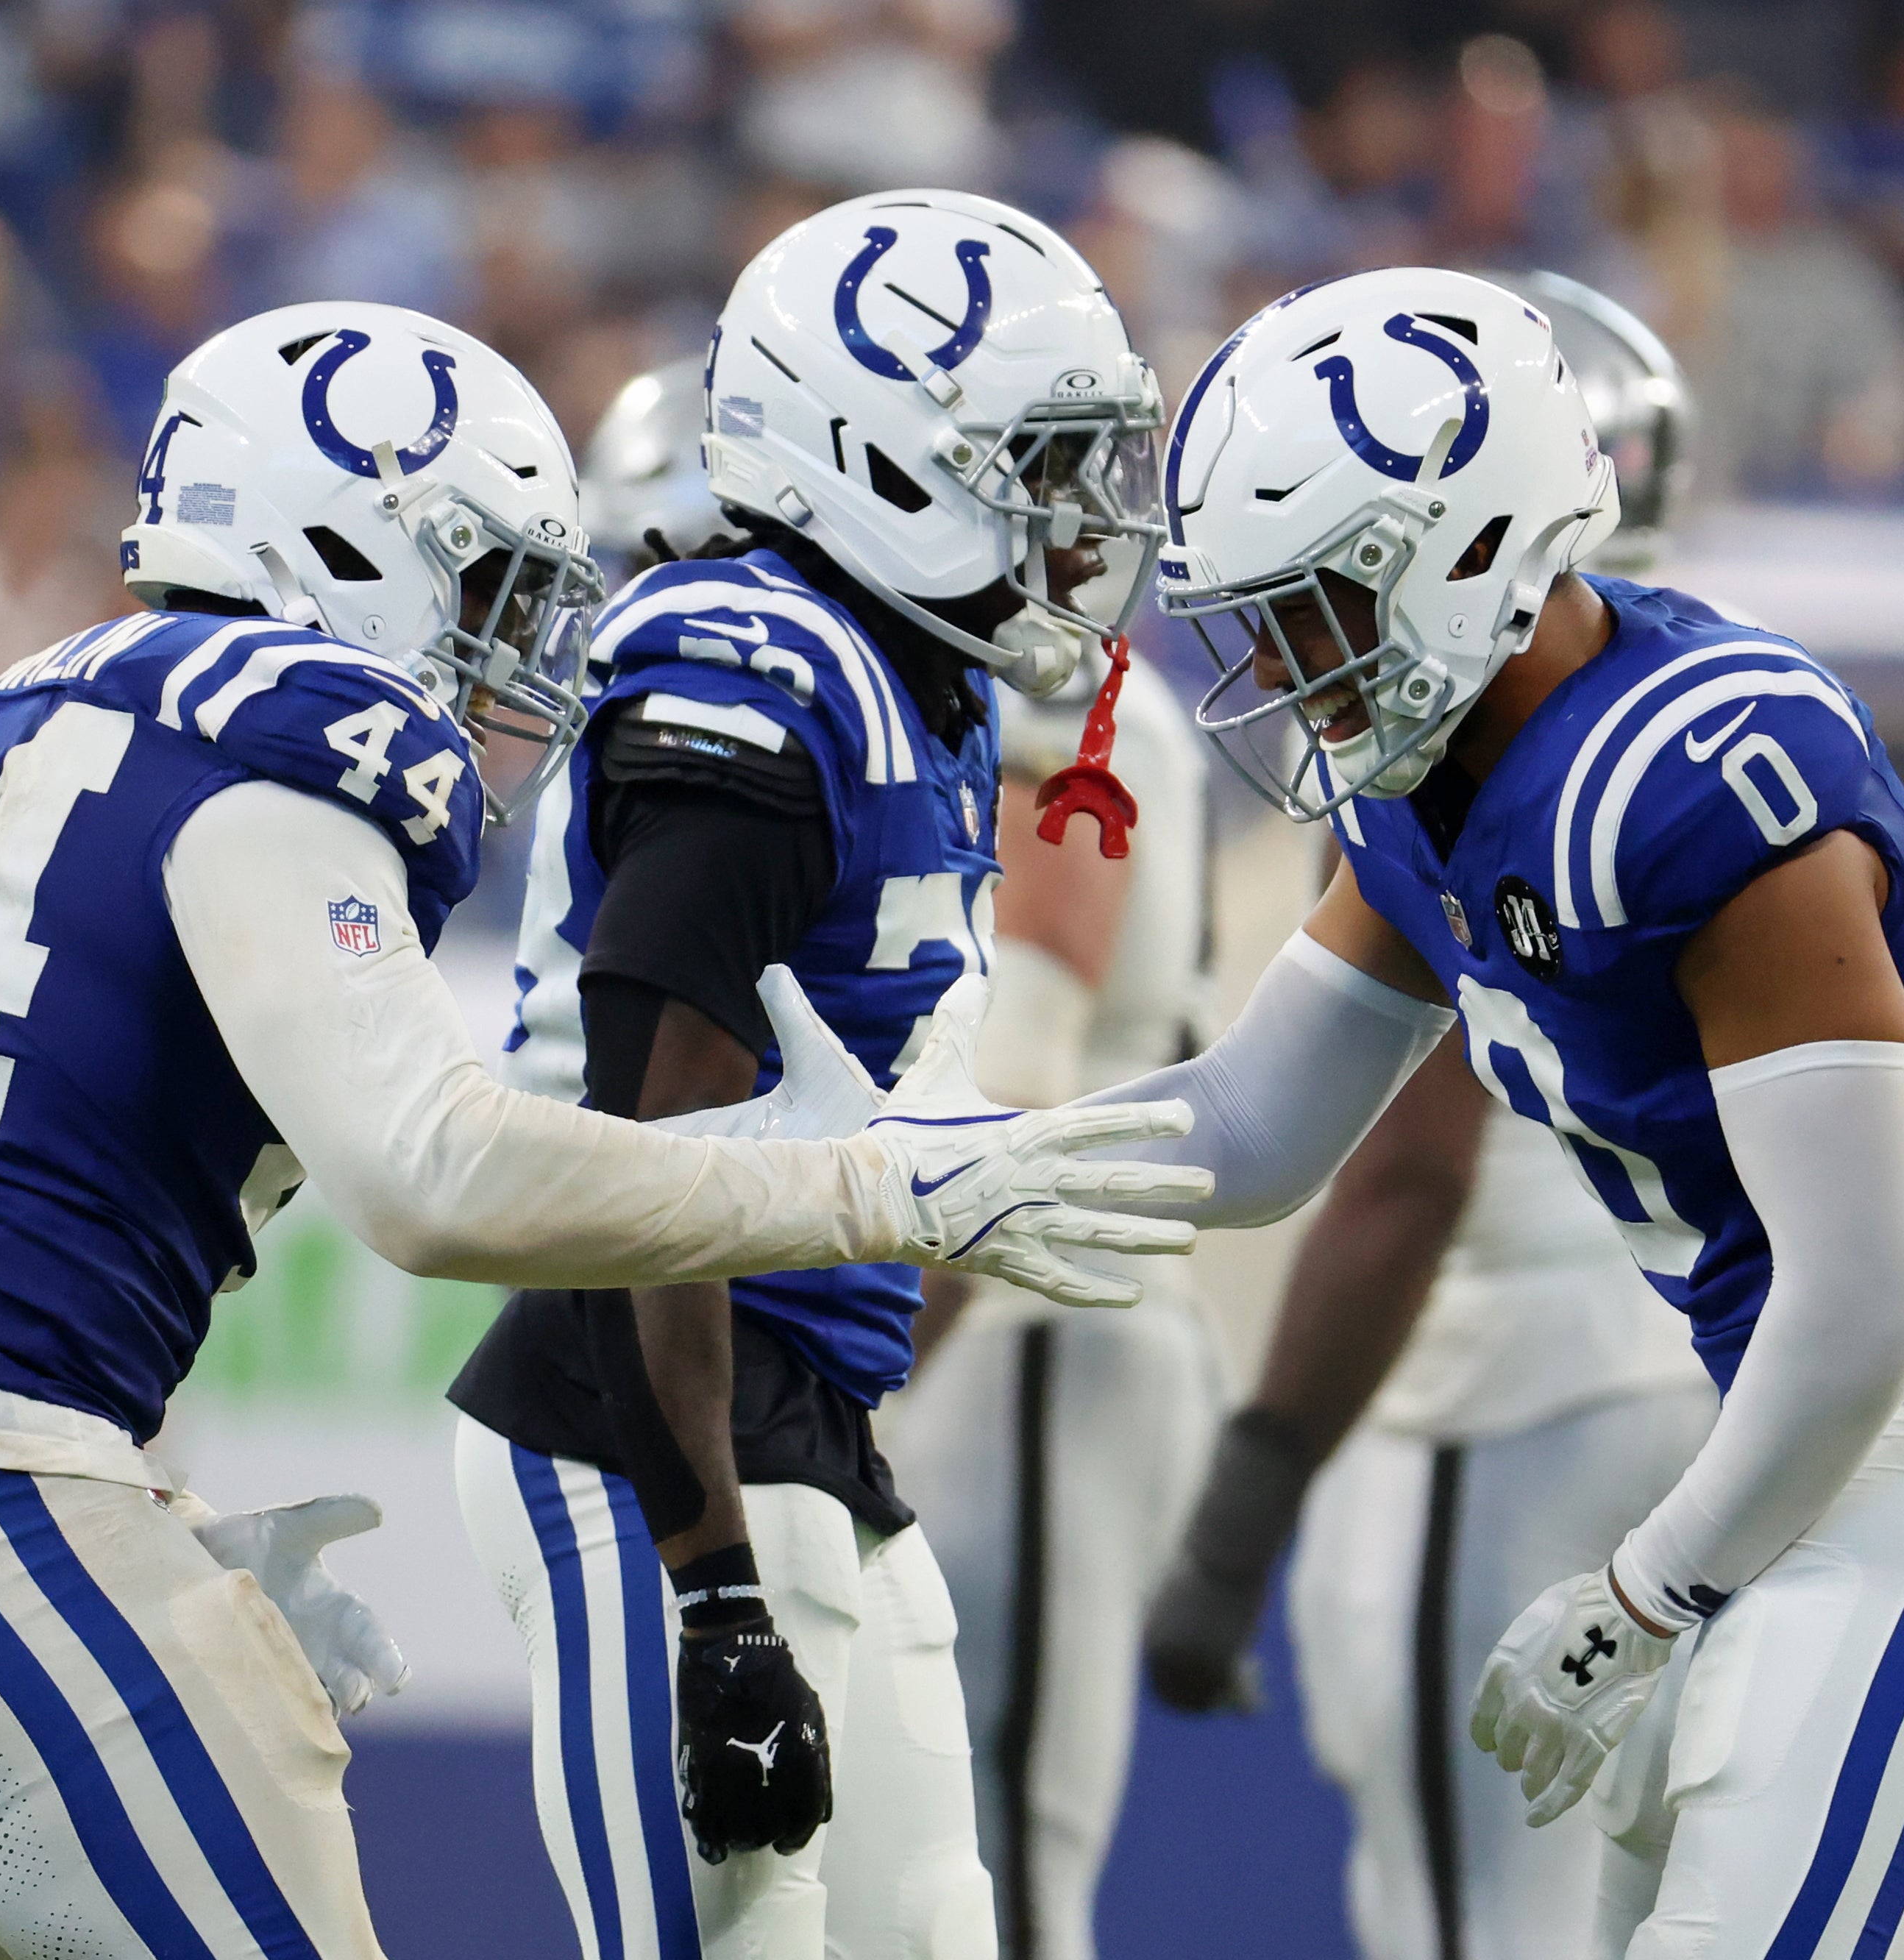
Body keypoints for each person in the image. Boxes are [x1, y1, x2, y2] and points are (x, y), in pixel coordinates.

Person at [0, 297, 1205, 1960]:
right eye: (481, 586)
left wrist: (150, 1518)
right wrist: (865, 1185)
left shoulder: (43, 700)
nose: (506, 651)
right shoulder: (289, 728)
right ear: (339, 536)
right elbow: (437, 1179)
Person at [1076, 264, 1904, 1956]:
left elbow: (1876, 1291)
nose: (1284, 664)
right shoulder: (1431, 787)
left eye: (1314, 605)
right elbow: (1256, 1129)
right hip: (1793, 1440)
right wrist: (917, 1174)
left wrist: (1641, 1592)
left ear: (1456, 554)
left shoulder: (1693, 780)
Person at [450, 191, 1168, 1960]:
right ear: (883, 454)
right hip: (644, 1405)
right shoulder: (757, 669)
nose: (1079, 519)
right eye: (1038, 463)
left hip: (805, 1403)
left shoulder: (904, 678)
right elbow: (656, 1149)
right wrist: (715, 1593)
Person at [1140, 276, 1718, 1960]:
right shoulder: (1706, 694)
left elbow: (1404, 1164)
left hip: (1507, 1391)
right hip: (1704, 1391)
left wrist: (1253, 1489)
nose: (1300, 637)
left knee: (1475, 1922)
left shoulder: (1479, 737)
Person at [877, 632, 1220, 1960]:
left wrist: (857, 1374)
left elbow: (1016, 1073)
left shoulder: (1051, 674)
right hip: (1041, 1320)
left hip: (1031, 1317)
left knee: (1000, 1868)